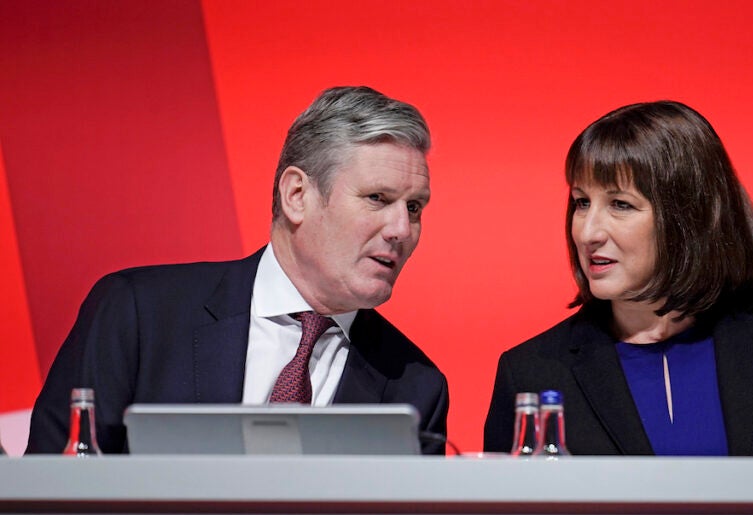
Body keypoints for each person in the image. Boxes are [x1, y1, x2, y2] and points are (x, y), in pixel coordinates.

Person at [27, 86, 448, 454]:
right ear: (297, 195)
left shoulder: (416, 388)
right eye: (377, 198)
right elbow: (50, 495)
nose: (401, 230)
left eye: (414, 207)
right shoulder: (139, 314)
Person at [483, 101, 753, 457]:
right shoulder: (531, 373)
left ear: (689, 217)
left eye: (620, 204)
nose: (588, 232)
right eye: (581, 202)